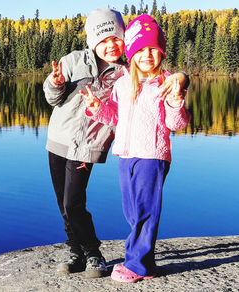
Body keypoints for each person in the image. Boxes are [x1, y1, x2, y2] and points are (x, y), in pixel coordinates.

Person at [43, 8, 188, 278]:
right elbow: (53, 98)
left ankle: (93, 253)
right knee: (64, 203)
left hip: (90, 145)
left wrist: (181, 78)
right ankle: (75, 250)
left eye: (116, 39)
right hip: (60, 140)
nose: (111, 46)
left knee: (74, 202)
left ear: (125, 42)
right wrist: (55, 83)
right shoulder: (74, 61)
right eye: (103, 40)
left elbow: (165, 80)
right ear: (92, 41)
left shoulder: (124, 73)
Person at [81, 14, 191, 283]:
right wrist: (98, 109)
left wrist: (177, 100)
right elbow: (116, 117)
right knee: (131, 210)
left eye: (153, 48)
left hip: (151, 155)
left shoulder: (166, 84)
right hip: (127, 154)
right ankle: (141, 258)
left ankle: (139, 266)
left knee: (145, 211)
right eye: (140, 49)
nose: (147, 55)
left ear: (162, 52)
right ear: (131, 53)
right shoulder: (123, 83)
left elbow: (177, 123)